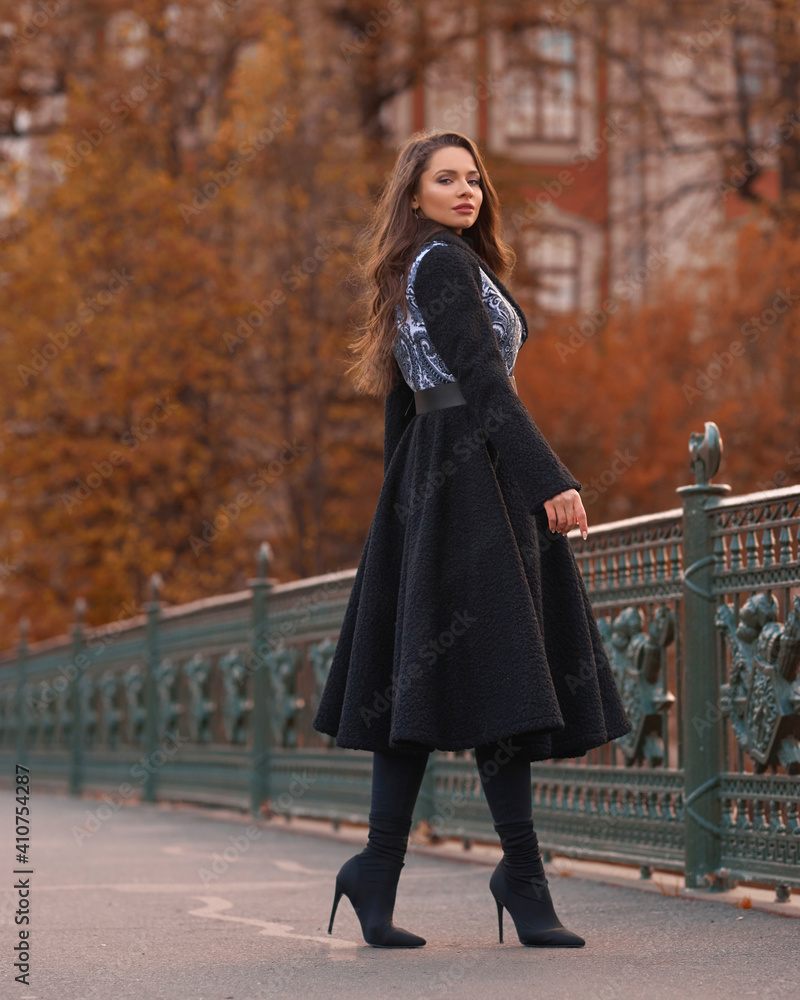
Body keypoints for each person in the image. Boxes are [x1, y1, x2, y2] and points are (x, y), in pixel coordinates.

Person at [313, 127, 632, 949]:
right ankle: (504, 876)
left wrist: (400, 511)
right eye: (445, 179)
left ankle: (396, 874)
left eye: (475, 179)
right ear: (412, 194)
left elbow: (400, 398)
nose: (467, 191)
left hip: (448, 484)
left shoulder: (428, 266)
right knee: (494, 674)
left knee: (461, 679)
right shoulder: (443, 264)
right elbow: (481, 382)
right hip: (468, 480)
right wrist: (549, 480)